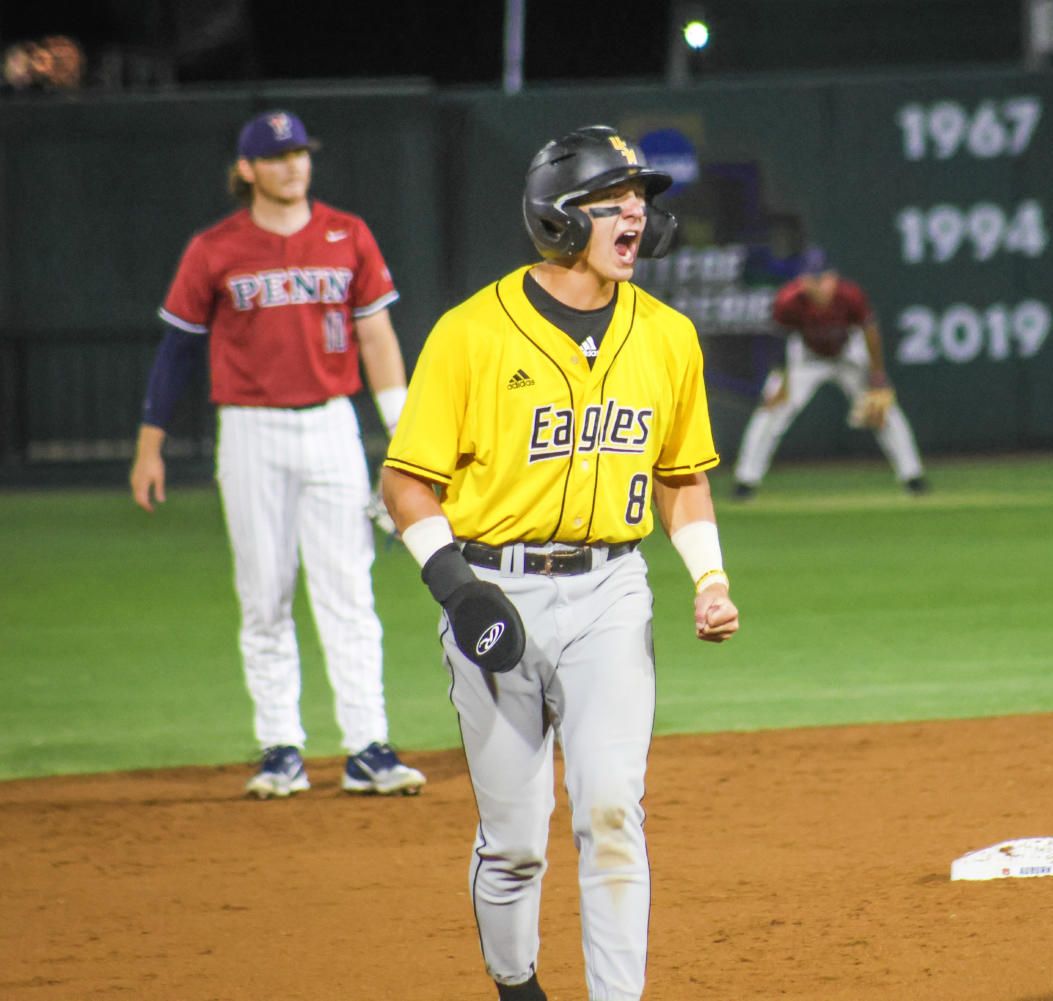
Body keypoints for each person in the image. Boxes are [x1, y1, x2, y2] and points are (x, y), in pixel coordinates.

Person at [382, 125, 740, 1001]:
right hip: (494, 587)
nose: (635, 214)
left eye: (640, 199)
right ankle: (517, 986)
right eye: (612, 199)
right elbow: (403, 483)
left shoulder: (667, 336)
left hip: (613, 590)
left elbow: (680, 477)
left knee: (613, 810)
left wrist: (709, 575)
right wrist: (457, 591)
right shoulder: (470, 333)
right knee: (515, 840)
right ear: (558, 216)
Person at [128, 110, 426, 800]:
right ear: (247, 170)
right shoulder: (215, 247)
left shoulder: (347, 234)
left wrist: (402, 433)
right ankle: (281, 748)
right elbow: (177, 348)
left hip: (330, 426)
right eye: (278, 155)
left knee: (348, 591)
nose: (295, 164)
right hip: (251, 431)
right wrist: (151, 445)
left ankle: (367, 746)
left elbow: (377, 338)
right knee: (264, 593)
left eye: (301, 153)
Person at [731, 247, 929, 497]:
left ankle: (912, 476)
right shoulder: (788, 299)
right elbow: (778, 340)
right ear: (802, 280)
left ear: (834, 277)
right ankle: (745, 480)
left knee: (883, 409)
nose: (819, 285)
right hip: (805, 357)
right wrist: (779, 380)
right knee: (770, 410)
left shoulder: (850, 295)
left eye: (824, 278)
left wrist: (877, 375)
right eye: (813, 279)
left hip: (848, 354)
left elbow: (870, 332)